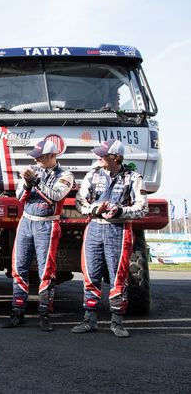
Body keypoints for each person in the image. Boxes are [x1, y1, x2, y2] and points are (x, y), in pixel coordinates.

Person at [72, 139, 148, 338]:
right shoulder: (92, 175)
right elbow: (79, 203)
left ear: (115, 157)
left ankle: (117, 321)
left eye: (102, 154)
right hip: (94, 227)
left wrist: (120, 210)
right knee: (91, 274)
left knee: (118, 276)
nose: (98, 157)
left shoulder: (133, 177)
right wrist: (95, 209)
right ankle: (89, 320)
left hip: (119, 229)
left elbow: (143, 208)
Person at [2, 139, 74, 331]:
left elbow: (56, 196)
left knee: (46, 271)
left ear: (52, 156)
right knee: (19, 267)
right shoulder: (33, 171)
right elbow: (19, 197)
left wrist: (35, 181)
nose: (36, 161)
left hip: (48, 223)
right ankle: (17, 311)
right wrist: (26, 183)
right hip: (26, 222)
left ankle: (44, 313)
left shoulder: (65, 175)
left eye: (39, 157)